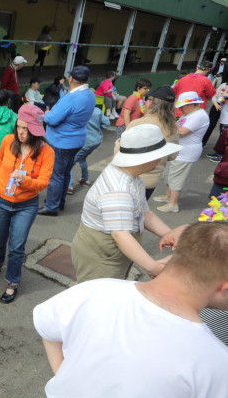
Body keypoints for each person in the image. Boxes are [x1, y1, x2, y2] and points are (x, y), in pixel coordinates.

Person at [35, 222, 228, 398]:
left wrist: (62, 374)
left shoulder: (95, 290)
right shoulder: (215, 363)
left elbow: (46, 327)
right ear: (224, 287)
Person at [71, 124, 181, 281]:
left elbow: (143, 211)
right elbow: (121, 235)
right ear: (148, 158)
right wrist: (154, 267)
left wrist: (169, 234)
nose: (161, 160)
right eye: (159, 155)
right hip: (102, 258)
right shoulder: (118, 190)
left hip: (114, 252)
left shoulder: (132, 176)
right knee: (100, 299)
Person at [0, 105, 54, 303]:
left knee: (16, 246)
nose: (21, 132)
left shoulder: (46, 152)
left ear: (36, 130)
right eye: (19, 127)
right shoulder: (8, 141)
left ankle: (12, 282)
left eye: (26, 128)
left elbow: (43, 182)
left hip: (26, 205)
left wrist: (25, 181)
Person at [39, 65, 96, 216]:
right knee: (65, 173)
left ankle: (51, 206)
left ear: (71, 79)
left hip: (61, 141)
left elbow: (53, 119)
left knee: (56, 175)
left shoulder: (71, 98)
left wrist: (47, 113)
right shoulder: (90, 95)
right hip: (77, 140)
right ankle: (60, 201)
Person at [153, 91, 210, 213]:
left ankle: (173, 204)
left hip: (187, 152)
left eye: (181, 106)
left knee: (176, 177)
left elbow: (183, 131)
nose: (180, 108)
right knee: (169, 174)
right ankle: (168, 196)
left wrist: (166, 126)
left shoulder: (199, 115)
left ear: (190, 104)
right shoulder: (190, 114)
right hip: (178, 150)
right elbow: (177, 126)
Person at [121, 85, 179, 200]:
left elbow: (121, 153)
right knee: (139, 212)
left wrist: (117, 144)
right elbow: (172, 156)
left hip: (130, 179)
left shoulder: (137, 123)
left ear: (151, 103)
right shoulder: (173, 127)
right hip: (151, 182)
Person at [67, 106, 110, 194]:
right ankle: (84, 179)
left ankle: (69, 185)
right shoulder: (97, 111)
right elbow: (106, 123)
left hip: (84, 141)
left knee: (70, 162)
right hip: (97, 140)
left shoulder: (79, 110)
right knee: (82, 158)